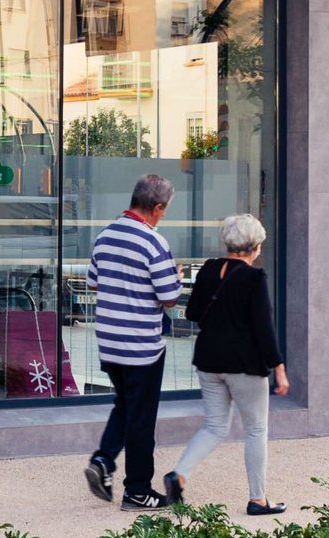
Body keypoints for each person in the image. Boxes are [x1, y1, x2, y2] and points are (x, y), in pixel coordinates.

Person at [162, 214, 289, 516]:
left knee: (215, 426)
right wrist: (279, 369)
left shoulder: (207, 270)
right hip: (244, 364)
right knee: (256, 430)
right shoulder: (254, 278)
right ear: (254, 246)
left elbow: (192, 312)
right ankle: (258, 500)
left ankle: (179, 474)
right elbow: (264, 328)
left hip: (208, 360)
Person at [84, 174, 183, 511]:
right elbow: (170, 297)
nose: (163, 215)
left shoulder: (105, 235)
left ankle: (103, 460)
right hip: (141, 346)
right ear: (156, 207)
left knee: (124, 406)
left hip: (109, 342)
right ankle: (138, 489)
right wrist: (177, 276)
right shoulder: (154, 242)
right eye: (164, 210)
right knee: (142, 420)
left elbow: (94, 282)